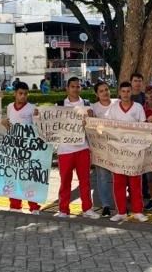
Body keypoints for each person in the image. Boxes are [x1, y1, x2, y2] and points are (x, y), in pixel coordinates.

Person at [55, 77, 99, 219]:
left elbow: (95, 128)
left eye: (78, 86)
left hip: (82, 148)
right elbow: (50, 123)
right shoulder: (59, 104)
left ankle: (87, 208)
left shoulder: (87, 105)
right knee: (65, 181)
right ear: (67, 88)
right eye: (72, 86)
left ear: (81, 88)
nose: (75, 89)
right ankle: (63, 209)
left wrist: (91, 119)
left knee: (85, 180)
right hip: (65, 149)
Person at [107, 81, 148, 222]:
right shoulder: (113, 109)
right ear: (119, 92)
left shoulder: (138, 107)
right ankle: (121, 212)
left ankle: (137, 211)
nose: (125, 94)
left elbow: (143, 127)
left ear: (131, 92)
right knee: (118, 183)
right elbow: (108, 128)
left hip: (134, 151)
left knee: (135, 183)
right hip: (118, 151)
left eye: (128, 91)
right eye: (123, 91)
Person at [4, 82, 45, 215]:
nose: (23, 96)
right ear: (14, 93)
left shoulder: (32, 109)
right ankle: (15, 205)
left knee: (29, 178)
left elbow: (38, 129)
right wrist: (5, 124)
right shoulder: (10, 107)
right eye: (20, 93)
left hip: (28, 149)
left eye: (25, 94)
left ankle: (34, 206)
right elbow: (10, 125)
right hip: (13, 147)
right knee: (13, 176)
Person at [91, 81, 116, 217]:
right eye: (101, 91)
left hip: (118, 147)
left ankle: (120, 203)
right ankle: (106, 205)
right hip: (100, 148)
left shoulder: (117, 104)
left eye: (106, 89)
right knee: (102, 176)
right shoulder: (93, 108)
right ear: (96, 94)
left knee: (119, 176)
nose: (105, 93)